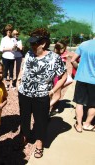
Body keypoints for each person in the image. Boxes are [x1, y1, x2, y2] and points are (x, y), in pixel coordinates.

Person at [18, 28, 67, 158]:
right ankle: (24, 137)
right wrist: (19, 79)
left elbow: (64, 76)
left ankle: (39, 144)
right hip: (24, 93)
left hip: (42, 96)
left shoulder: (54, 58)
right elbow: (23, 67)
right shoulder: (29, 53)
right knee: (24, 117)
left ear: (43, 43)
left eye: (34, 43)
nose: (32, 46)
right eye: (31, 43)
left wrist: (53, 90)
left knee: (41, 121)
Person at [71, 37, 95, 132]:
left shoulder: (84, 44)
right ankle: (87, 124)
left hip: (82, 78)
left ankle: (79, 125)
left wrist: (79, 69)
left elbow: (73, 60)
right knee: (93, 104)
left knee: (79, 102)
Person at [50, 41, 73, 115]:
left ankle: (52, 108)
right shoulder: (60, 58)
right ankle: (46, 108)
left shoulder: (51, 55)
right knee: (57, 95)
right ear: (60, 49)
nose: (65, 50)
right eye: (64, 48)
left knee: (54, 94)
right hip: (58, 78)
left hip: (53, 77)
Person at [0, 24, 16, 90]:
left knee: (11, 71)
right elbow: (1, 49)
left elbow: (15, 48)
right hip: (5, 57)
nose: (9, 31)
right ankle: (5, 84)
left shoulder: (14, 39)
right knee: (5, 70)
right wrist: (9, 48)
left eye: (10, 30)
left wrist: (14, 48)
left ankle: (11, 84)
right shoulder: (3, 39)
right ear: (6, 31)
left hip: (12, 57)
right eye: (8, 30)